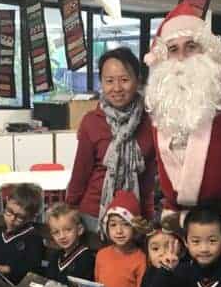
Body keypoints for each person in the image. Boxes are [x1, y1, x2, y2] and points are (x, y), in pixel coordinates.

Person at [144, 2, 221, 239]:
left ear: (207, 51)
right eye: (173, 49)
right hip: (179, 229)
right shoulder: (161, 102)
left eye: (191, 46)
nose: (182, 57)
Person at [65, 47, 156, 233]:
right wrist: (70, 207)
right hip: (94, 214)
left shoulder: (151, 122)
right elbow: (81, 171)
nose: (117, 88)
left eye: (124, 80)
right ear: (101, 83)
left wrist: (148, 215)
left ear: (138, 80)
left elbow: (149, 177)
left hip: (134, 216)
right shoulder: (92, 121)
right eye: (109, 81)